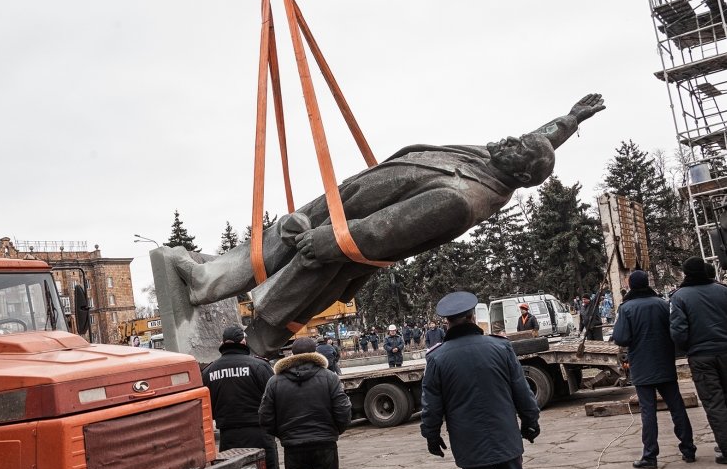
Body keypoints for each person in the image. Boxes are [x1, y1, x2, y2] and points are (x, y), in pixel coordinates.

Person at [162, 95, 606, 356]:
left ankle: (252, 336)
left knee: (295, 290)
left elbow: (386, 231)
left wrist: (328, 241)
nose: (506, 139)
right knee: (281, 233)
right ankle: (208, 280)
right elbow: (538, 139)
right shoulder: (495, 161)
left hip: (344, 236)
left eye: (515, 146)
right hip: (350, 202)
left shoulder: (462, 199)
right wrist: (569, 120)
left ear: (520, 173)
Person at [421, 291, 540, 469]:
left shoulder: (437, 358)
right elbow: (522, 391)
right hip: (504, 431)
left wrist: (432, 435)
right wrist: (530, 421)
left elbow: (431, 406)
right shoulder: (500, 347)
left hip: (468, 440)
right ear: (473, 317)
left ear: (447, 322)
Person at [258, 337, 352, 469]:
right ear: (314, 352)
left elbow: (265, 417)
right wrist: (334, 432)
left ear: (291, 354)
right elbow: (343, 411)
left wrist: (284, 434)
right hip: (325, 444)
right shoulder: (329, 377)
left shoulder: (275, 381)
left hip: (294, 447)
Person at [612, 270, 697, 469]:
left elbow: (621, 337)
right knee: (677, 408)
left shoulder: (627, 308)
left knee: (648, 412)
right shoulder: (662, 304)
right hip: (664, 363)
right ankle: (688, 449)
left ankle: (650, 456)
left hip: (642, 367)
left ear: (631, 285)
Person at [201, 326, 287, 469]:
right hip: (260, 434)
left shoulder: (209, 371)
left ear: (223, 343)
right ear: (243, 342)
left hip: (230, 439)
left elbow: (205, 408)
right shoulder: (259, 366)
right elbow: (276, 399)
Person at [670, 256, 727, 464]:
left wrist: (687, 348)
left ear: (686, 273)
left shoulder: (680, 296)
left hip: (701, 356)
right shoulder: (722, 290)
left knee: (714, 403)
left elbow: (678, 331)